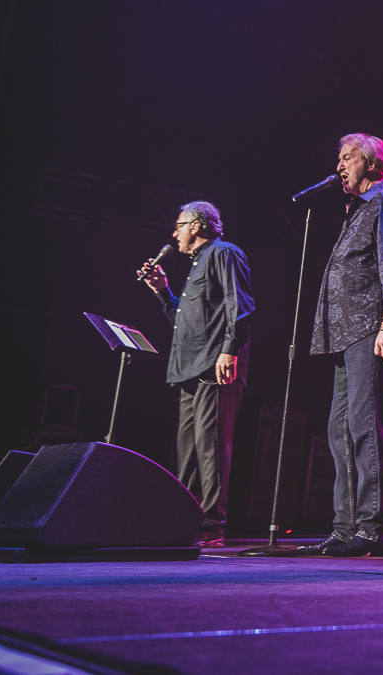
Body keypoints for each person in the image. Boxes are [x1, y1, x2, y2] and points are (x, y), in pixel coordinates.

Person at [299, 133, 383, 558]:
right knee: (340, 431)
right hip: (345, 332)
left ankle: (375, 528)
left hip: (371, 327)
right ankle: (346, 527)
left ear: (371, 163)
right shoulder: (358, 211)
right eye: (340, 159)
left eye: (348, 158)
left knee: (367, 427)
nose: (340, 166)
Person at [137, 200, 253, 548]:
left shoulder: (224, 253)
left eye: (179, 225)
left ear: (198, 225)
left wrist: (230, 350)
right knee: (186, 449)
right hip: (189, 367)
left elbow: (240, 306)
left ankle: (211, 524)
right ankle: (183, 519)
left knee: (211, 446)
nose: (174, 234)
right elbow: (183, 321)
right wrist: (162, 291)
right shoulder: (196, 265)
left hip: (213, 365)